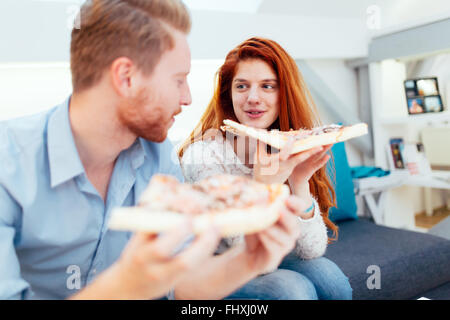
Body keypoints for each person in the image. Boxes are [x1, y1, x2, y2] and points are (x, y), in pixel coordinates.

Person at [0, 1, 302, 300]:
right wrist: (126, 286)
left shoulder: (158, 157)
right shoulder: (9, 163)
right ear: (126, 77)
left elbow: (179, 284)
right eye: (178, 80)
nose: (187, 97)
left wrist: (248, 260)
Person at [178, 37, 353, 300]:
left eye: (267, 86)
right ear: (229, 93)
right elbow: (238, 248)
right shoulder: (203, 155)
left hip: (267, 255)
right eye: (242, 86)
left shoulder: (283, 145)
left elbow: (311, 250)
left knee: (331, 279)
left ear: (284, 93)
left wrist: (299, 183)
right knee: (293, 290)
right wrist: (264, 186)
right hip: (216, 267)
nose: (253, 98)